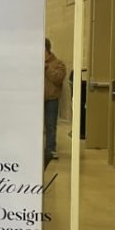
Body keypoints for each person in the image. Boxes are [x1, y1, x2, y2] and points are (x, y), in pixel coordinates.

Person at [44, 38, 67, 169]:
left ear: (46, 50)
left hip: (52, 99)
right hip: (38, 100)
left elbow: (58, 79)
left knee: (50, 125)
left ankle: (50, 150)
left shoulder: (58, 63)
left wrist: (47, 68)